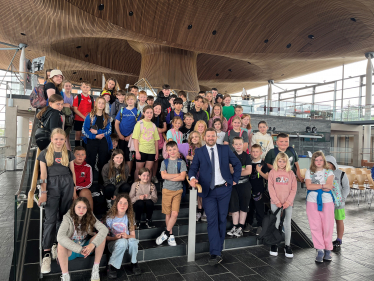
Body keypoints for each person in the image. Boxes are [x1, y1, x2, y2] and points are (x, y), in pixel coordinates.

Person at [188, 128, 241, 265]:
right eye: (208, 136)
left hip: (224, 189)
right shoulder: (199, 152)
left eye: (213, 136)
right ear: (204, 137)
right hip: (208, 191)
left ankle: (218, 249)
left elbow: (237, 163)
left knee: (222, 220)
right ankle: (215, 253)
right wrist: (193, 178)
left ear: (216, 137)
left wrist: (234, 179)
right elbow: (193, 169)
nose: (211, 138)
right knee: (212, 221)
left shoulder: (224, 149)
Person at [37, 128, 77, 274]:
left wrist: (74, 191)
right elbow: (43, 174)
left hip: (67, 185)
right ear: (52, 139)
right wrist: (43, 192)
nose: (59, 142)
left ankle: (58, 245)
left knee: (64, 218)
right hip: (52, 186)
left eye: (62, 139)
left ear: (65, 140)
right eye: (56, 139)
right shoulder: (44, 154)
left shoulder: (68, 153)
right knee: (50, 219)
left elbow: (73, 173)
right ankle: (46, 253)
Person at [57, 197, 107, 281]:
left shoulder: (89, 215)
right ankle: (66, 276)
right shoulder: (67, 217)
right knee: (60, 243)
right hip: (72, 250)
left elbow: (104, 229)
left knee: (102, 237)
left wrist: (92, 244)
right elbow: (60, 236)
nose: (81, 210)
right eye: (79, 207)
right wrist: (80, 249)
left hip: (86, 248)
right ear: (74, 208)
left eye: (84, 207)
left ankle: (95, 269)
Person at [305, 151, 335, 263]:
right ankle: (320, 249)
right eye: (316, 160)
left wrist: (316, 186)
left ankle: (328, 249)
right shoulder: (309, 172)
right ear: (313, 161)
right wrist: (323, 185)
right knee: (315, 226)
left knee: (327, 226)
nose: (318, 162)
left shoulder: (329, 172)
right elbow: (308, 186)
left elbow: (329, 187)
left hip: (327, 202)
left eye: (320, 160)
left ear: (324, 161)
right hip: (311, 202)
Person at [156, 141, 187, 246]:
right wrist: (176, 175)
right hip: (167, 190)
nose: (172, 151)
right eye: (170, 150)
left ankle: (165, 233)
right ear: (167, 151)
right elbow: (163, 176)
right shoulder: (164, 162)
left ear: (177, 149)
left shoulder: (181, 162)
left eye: (174, 149)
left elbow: (182, 177)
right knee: (168, 214)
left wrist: (170, 175)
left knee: (175, 214)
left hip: (178, 191)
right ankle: (171, 235)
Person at [268, 152, 297, 258]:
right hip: (275, 203)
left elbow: (294, 189)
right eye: (279, 161)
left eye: (284, 161)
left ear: (287, 162)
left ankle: (287, 245)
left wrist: (288, 202)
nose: (281, 163)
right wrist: (276, 201)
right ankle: (274, 244)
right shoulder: (272, 172)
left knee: (287, 224)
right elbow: (270, 188)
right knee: (276, 223)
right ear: (276, 162)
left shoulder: (291, 173)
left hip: (287, 204)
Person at [105, 194, 141, 278]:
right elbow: (105, 237)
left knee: (133, 241)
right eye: (120, 202)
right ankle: (112, 266)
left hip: (126, 243)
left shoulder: (130, 217)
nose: (122, 205)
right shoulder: (109, 218)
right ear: (116, 204)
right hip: (113, 244)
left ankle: (134, 262)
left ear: (128, 206)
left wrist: (127, 236)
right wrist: (114, 238)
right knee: (122, 241)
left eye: (125, 203)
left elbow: (133, 236)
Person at [82, 96, 113, 184]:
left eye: (103, 103)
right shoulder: (90, 116)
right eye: (99, 103)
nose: (101, 105)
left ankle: (101, 183)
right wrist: (95, 136)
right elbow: (84, 130)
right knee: (90, 161)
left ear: (105, 105)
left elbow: (109, 131)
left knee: (103, 162)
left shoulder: (107, 117)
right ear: (96, 104)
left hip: (103, 141)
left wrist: (98, 132)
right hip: (92, 141)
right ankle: (88, 182)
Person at [227, 137, 252, 238]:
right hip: (234, 185)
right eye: (236, 144)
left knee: (244, 206)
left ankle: (240, 227)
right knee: (234, 206)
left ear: (243, 145)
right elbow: (231, 170)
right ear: (232, 145)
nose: (238, 146)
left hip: (245, 184)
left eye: (240, 144)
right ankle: (234, 226)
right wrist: (242, 169)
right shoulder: (231, 156)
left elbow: (248, 171)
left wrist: (237, 170)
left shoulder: (247, 156)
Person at [325, 155, 350, 252]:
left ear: (332, 163)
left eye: (328, 163)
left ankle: (339, 240)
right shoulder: (323, 174)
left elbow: (346, 187)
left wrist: (342, 199)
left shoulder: (341, 174)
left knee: (339, 220)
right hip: (327, 203)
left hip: (339, 203)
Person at [115, 93, 141, 180]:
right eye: (128, 99)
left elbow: (138, 126)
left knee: (130, 157)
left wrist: (130, 136)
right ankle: (120, 174)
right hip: (121, 137)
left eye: (132, 99)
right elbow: (116, 123)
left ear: (135, 100)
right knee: (120, 156)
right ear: (126, 101)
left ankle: (128, 175)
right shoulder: (122, 110)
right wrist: (119, 135)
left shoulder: (137, 112)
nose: (130, 101)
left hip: (132, 138)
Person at [245, 144, 269, 234]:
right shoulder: (248, 162)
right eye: (253, 151)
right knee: (249, 207)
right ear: (250, 152)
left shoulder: (263, 164)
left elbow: (267, 177)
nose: (255, 153)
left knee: (259, 208)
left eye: (257, 151)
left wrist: (259, 171)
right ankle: (249, 224)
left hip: (259, 190)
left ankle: (260, 225)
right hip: (248, 189)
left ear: (261, 153)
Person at [133, 105, 160, 180]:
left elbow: (156, 140)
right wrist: (137, 152)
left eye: (151, 112)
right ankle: (136, 186)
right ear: (144, 113)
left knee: (148, 170)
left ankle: (147, 187)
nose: (149, 114)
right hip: (141, 150)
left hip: (151, 151)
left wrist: (156, 153)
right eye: (147, 112)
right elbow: (135, 139)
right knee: (139, 170)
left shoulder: (153, 125)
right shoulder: (139, 124)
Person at [73, 81, 94, 147]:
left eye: (87, 87)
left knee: (85, 135)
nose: (85, 88)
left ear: (90, 88)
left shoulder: (91, 98)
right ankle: (77, 150)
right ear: (81, 87)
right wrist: (84, 117)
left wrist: (91, 118)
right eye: (84, 87)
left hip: (87, 120)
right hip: (78, 119)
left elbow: (93, 110)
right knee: (78, 136)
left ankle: (84, 151)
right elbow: (75, 109)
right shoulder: (77, 97)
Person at [151, 102, 167, 183]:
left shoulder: (162, 117)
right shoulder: (150, 116)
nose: (157, 110)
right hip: (149, 140)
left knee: (156, 159)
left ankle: (154, 176)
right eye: (156, 108)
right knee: (150, 160)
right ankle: (148, 176)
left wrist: (159, 130)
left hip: (158, 139)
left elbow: (164, 128)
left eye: (159, 109)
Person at [62, 81, 74, 150]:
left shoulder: (72, 96)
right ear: (64, 87)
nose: (68, 87)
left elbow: (72, 107)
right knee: (64, 134)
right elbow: (58, 104)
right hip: (64, 116)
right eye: (66, 86)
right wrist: (66, 105)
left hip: (70, 117)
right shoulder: (62, 94)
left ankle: (68, 150)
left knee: (67, 135)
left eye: (69, 86)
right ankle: (68, 150)